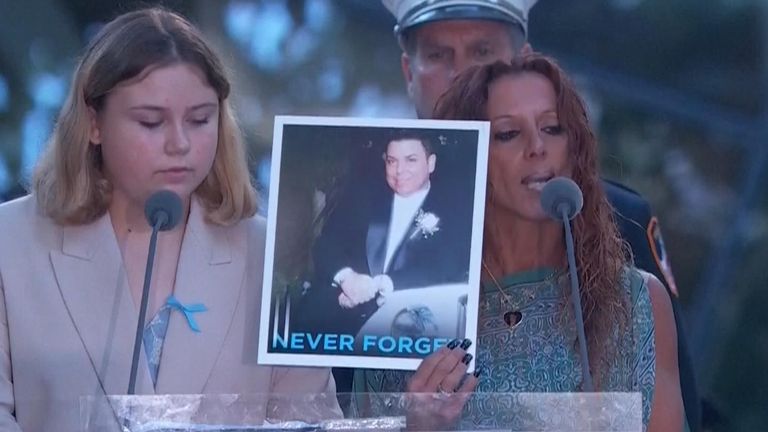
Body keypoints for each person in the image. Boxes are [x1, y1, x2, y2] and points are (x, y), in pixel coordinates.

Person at [356, 1, 701, 429]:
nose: (462, 73)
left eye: (553, 128)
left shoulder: (631, 286)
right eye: (440, 55)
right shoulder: (394, 295)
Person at [0, 8, 339, 432]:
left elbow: (311, 423)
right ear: (93, 123)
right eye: (151, 121)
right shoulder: (9, 243)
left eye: (200, 120)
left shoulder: (273, 258)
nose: (180, 144)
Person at [297, 130, 473, 339]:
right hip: (341, 329)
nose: (400, 170)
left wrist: (385, 284)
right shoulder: (362, 198)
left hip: (412, 333)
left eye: (411, 160)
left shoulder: (456, 210)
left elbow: (446, 266)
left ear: (431, 163)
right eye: (392, 161)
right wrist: (347, 278)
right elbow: (326, 245)